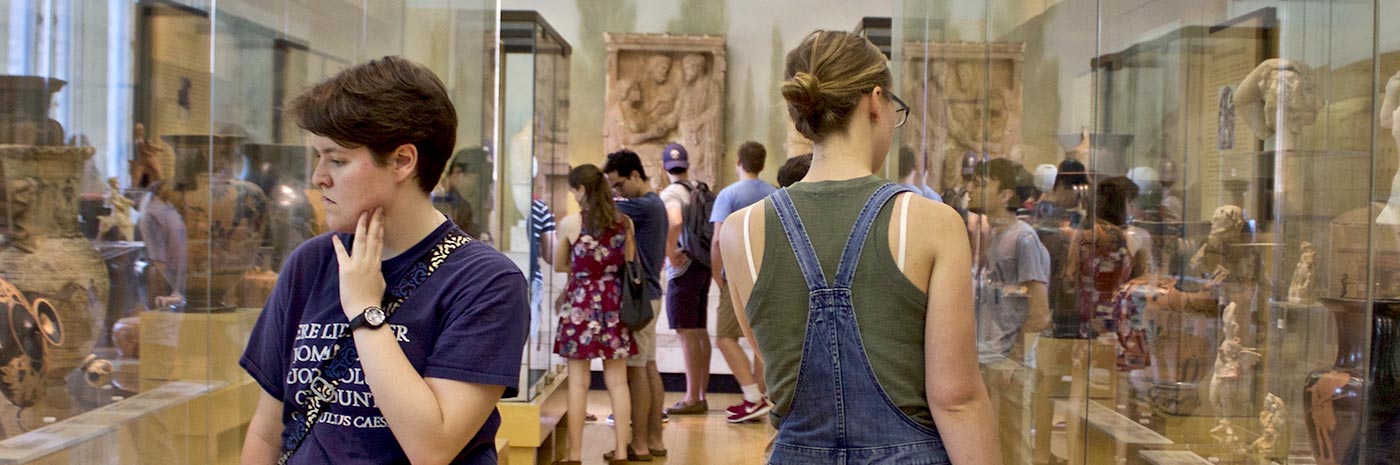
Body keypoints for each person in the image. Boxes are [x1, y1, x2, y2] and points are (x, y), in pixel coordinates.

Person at [719, 30, 999, 465]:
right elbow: (956, 398)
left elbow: (775, 364)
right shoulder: (931, 221)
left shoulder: (740, 230)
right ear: (875, 100)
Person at [239, 56, 529, 465]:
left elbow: (432, 447)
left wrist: (364, 310)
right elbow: (268, 434)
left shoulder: (486, 282)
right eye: (318, 158)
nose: (319, 177)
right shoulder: (312, 262)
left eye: (336, 159)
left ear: (402, 161)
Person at [552, 164, 637, 465]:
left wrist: (585, 270)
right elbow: (630, 261)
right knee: (618, 382)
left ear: (582, 190)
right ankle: (622, 452)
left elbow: (560, 264)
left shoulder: (572, 223)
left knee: (578, 383)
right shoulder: (623, 222)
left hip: (581, 304)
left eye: (573, 189)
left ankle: (574, 455)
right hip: (614, 304)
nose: (572, 195)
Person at [602, 150, 669, 460]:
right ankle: (654, 440)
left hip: (641, 298)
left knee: (636, 370)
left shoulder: (642, 206)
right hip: (652, 295)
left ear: (635, 176)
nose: (616, 192)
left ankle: (640, 443)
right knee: (649, 366)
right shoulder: (652, 204)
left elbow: (603, 208)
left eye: (619, 185)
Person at [708, 141, 777, 423]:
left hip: (737, 275)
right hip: (769, 274)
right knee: (761, 337)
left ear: (738, 161)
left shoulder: (728, 195)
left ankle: (751, 395)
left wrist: (717, 273)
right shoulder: (774, 193)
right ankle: (759, 397)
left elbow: (717, 241)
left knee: (725, 336)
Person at [966, 158, 1051, 364]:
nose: (970, 189)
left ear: (1005, 195)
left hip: (1005, 364)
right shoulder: (998, 235)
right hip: (990, 357)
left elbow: (1040, 314)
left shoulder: (1023, 239)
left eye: (980, 184)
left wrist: (1013, 361)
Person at [658, 142, 714, 415]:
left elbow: (675, 220)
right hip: (702, 263)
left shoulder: (670, 193)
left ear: (664, 168)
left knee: (686, 332)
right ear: (688, 165)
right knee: (699, 331)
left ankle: (692, 397)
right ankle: (701, 393)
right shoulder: (696, 187)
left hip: (683, 267)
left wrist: (669, 252)